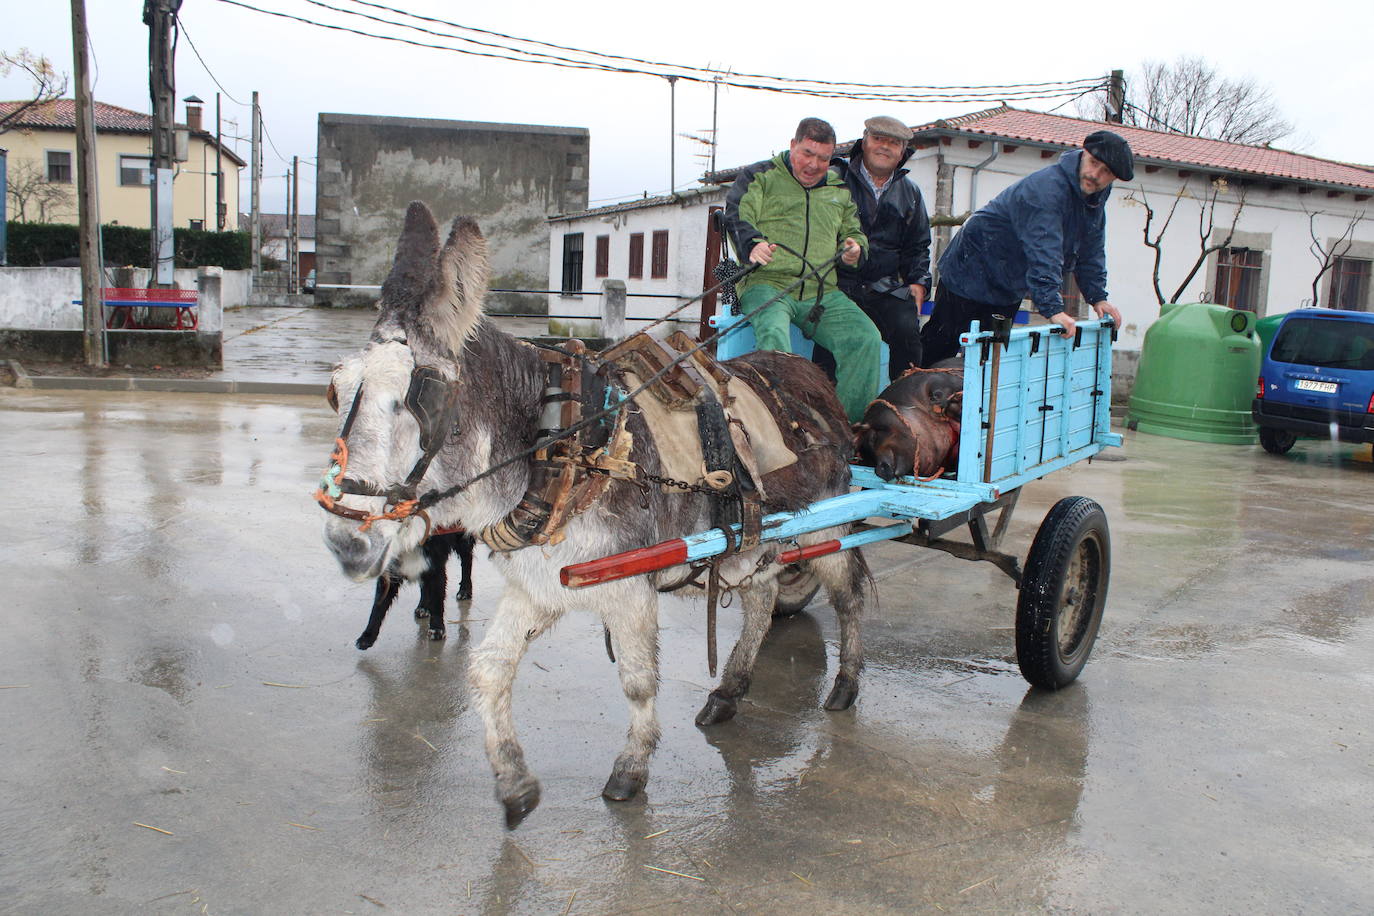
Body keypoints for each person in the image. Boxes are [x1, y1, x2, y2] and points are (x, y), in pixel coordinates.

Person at [922, 130, 1131, 365]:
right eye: (1094, 163)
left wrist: (1098, 298)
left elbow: (1091, 250)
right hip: (971, 267)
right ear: (1083, 154)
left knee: (991, 355)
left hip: (1007, 282)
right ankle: (914, 396)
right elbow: (1044, 249)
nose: (1095, 175)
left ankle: (970, 401)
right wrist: (1052, 308)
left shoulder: (1093, 200)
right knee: (942, 344)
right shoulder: (1047, 189)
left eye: (1106, 172)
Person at [723, 117, 881, 422]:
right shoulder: (761, 177)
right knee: (775, 338)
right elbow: (736, 215)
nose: (813, 164)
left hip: (821, 292)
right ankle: (784, 425)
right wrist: (753, 244)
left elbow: (855, 233)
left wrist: (854, 249)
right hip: (766, 284)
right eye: (807, 153)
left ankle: (844, 431)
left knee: (866, 339)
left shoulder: (838, 190)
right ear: (793, 145)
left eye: (823, 158)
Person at [816, 115, 932, 381]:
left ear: (903, 152)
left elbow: (918, 245)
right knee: (830, 349)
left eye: (894, 143)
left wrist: (918, 283)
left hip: (884, 286)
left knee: (907, 333)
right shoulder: (834, 179)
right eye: (879, 139)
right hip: (837, 284)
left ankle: (903, 406)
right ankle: (822, 411)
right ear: (865, 141)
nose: (885, 147)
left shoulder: (910, 192)